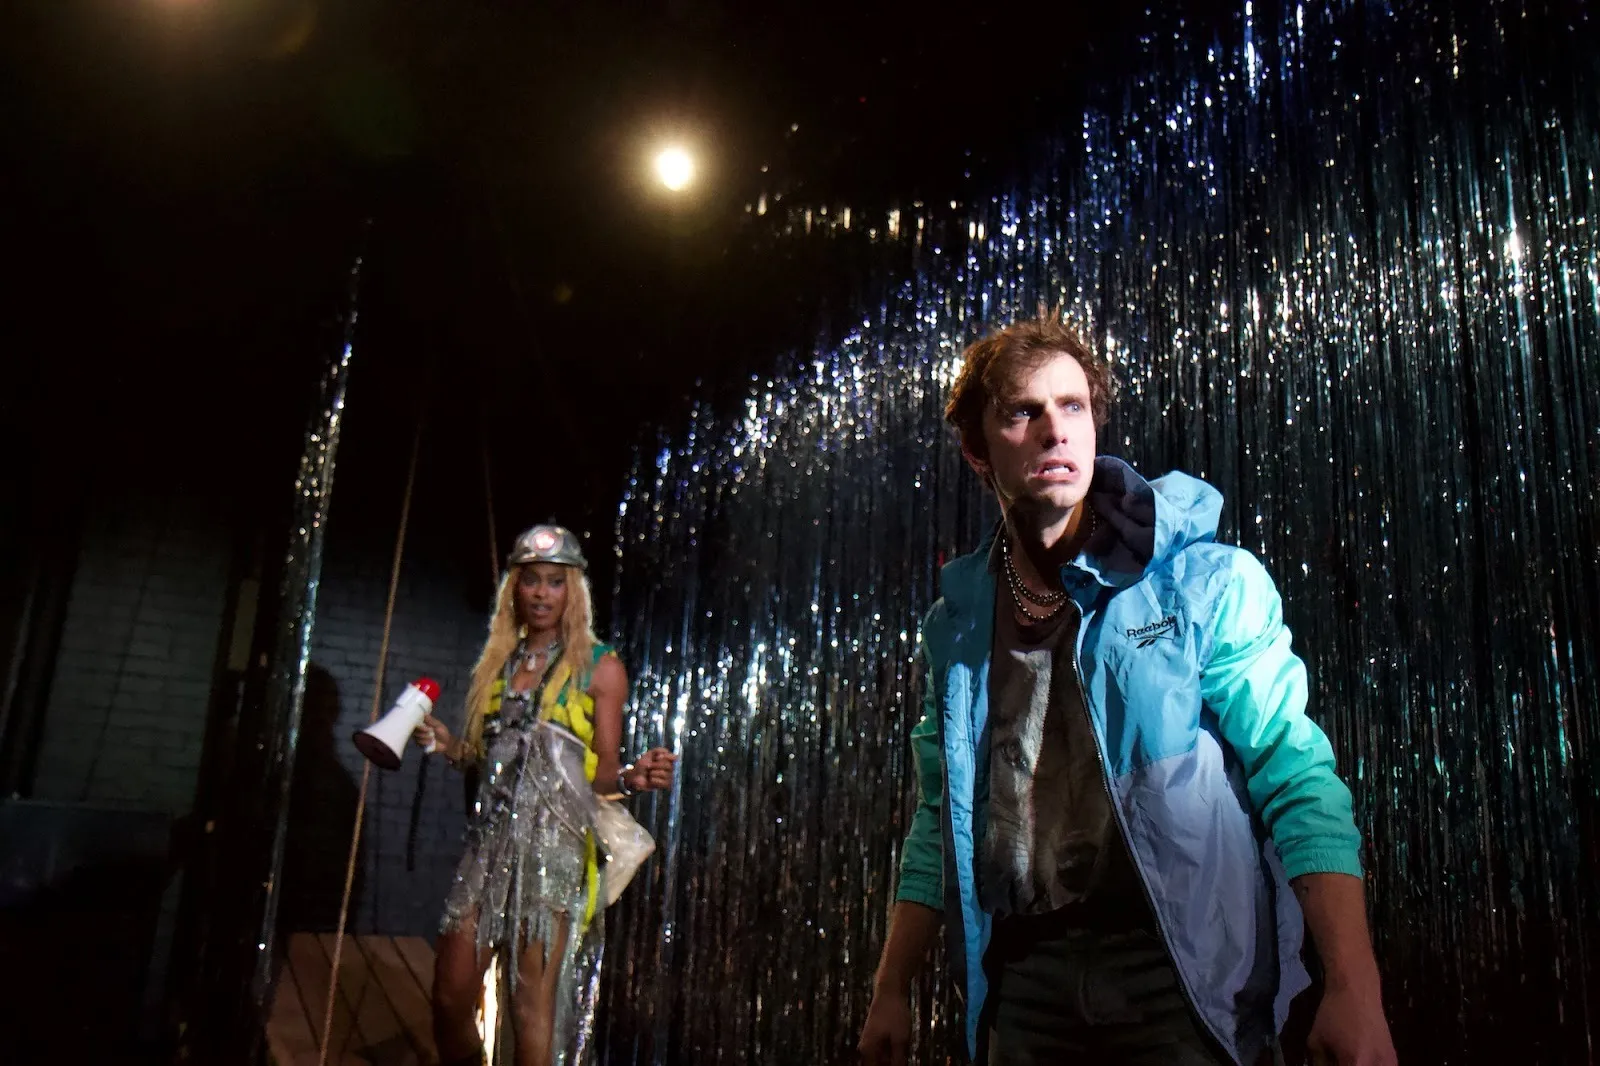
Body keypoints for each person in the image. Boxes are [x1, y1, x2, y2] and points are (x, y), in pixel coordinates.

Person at [857, 316, 1397, 1066]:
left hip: (1181, 977)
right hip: (1027, 981)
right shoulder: (958, 624)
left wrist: (1354, 985)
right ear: (977, 454)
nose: (1055, 430)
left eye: (1072, 406)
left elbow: (1295, 772)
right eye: (1023, 411)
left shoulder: (1203, 581)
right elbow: (939, 811)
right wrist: (892, 986)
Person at [415, 524, 676, 1066]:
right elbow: (493, 762)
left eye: (554, 583)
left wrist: (633, 776)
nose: (540, 593)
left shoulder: (599, 668)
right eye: (531, 581)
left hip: (551, 854)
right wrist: (451, 746)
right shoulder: (499, 665)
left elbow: (602, 774)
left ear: (572, 591)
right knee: (448, 995)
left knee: (531, 1013)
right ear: (515, 587)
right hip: (488, 851)